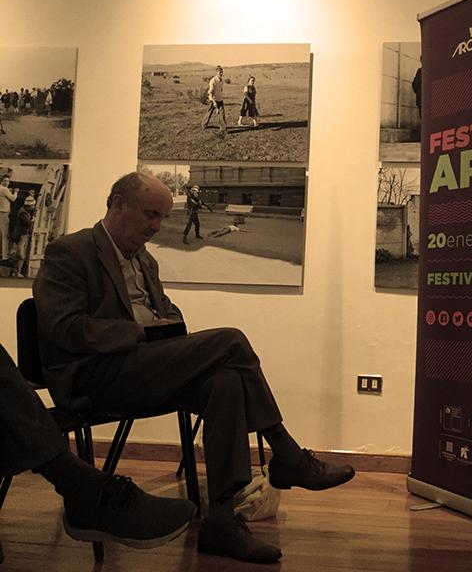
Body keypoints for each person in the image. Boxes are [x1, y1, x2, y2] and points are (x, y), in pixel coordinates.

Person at [32, 171, 355, 565]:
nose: (156, 226)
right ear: (118, 205)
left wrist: (167, 326)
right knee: (232, 340)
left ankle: (221, 520)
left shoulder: (145, 260)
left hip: (143, 367)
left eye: (163, 218)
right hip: (95, 376)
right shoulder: (70, 252)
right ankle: (286, 453)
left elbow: (166, 311)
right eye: (150, 214)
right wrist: (139, 332)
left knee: (225, 382)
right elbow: (63, 328)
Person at [0, 343, 196, 564]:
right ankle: (82, 488)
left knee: (223, 370)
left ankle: (82, 487)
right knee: (225, 346)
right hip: (90, 369)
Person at [11, 194, 35, 277]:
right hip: (22, 235)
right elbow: (27, 223)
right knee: (21, 254)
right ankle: (17, 272)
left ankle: (17, 271)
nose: (33, 207)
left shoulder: (23, 211)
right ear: (30, 205)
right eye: (33, 205)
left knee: (20, 253)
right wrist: (32, 220)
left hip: (23, 234)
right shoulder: (23, 212)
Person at [201, 66, 227, 134]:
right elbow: (210, 92)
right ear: (217, 72)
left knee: (222, 113)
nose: (221, 73)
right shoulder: (213, 81)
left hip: (220, 99)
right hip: (213, 99)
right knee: (209, 112)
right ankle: (204, 124)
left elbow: (220, 89)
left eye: (222, 72)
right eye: (220, 72)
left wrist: (220, 95)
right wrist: (213, 101)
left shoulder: (222, 80)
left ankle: (223, 128)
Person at [0, 175, 18, 261]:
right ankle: (5, 256)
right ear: (1, 181)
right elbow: (13, 199)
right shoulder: (4, 189)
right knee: (5, 235)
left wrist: (9, 191)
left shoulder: (2, 188)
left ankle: (1, 254)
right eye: (5, 181)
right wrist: (16, 192)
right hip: (3, 214)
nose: (6, 183)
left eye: (8, 181)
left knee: (1, 235)